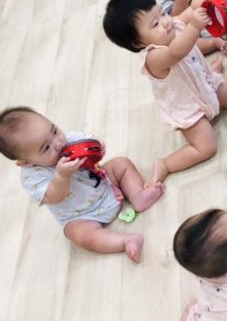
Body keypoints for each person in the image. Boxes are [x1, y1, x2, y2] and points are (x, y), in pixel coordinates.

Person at [102, 0, 227, 183]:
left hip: (203, 82)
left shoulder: (170, 24)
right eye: (155, 23)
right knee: (207, 147)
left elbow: (192, 9)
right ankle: (166, 164)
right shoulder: (153, 58)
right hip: (187, 108)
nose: (166, 21)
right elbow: (177, 52)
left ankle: (212, 71)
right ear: (138, 42)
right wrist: (194, 26)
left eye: (162, 13)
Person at [0, 107, 164, 262]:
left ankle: (138, 196)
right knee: (76, 234)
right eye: (46, 147)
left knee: (121, 163)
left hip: (105, 184)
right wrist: (61, 176)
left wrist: (97, 147)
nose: (58, 143)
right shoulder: (32, 178)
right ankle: (125, 241)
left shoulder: (69, 140)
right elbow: (54, 197)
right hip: (82, 216)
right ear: (25, 162)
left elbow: (92, 145)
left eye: (54, 130)